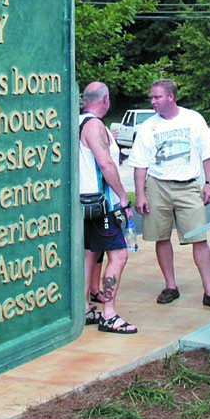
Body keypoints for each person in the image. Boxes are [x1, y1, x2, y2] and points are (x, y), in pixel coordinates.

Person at [128, 79, 210, 309]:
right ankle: (171, 286)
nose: (153, 102)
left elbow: (208, 153)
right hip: (158, 185)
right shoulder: (148, 126)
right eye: (151, 97)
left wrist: (209, 183)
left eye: (157, 97)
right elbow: (140, 165)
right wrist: (140, 195)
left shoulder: (193, 119)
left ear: (171, 97)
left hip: (188, 185)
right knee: (161, 237)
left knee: (199, 237)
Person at [79, 82, 137, 334]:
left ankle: (83, 308)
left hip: (84, 201)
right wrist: (123, 199)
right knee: (119, 255)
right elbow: (105, 163)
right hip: (102, 203)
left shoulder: (78, 122)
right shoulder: (94, 125)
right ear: (105, 100)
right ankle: (109, 314)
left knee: (89, 253)